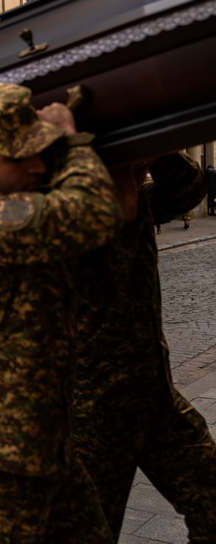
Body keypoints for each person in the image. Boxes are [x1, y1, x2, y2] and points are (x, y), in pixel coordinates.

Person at [0, 83, 121, 543]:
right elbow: (92, 214)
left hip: (42, 443)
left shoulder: (16, 207)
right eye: (18, 158)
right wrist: (72, 142)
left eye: (42, 152)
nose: (37, 165)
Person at [73, 152, 216, 542]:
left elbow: (191, 187)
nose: (140, 179)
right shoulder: (64, 218)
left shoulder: (141, 200)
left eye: (143, 171)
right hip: (91, 416)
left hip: (154, 400)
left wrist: (156, 144)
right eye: (130, 172)